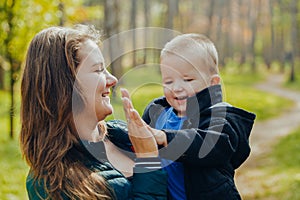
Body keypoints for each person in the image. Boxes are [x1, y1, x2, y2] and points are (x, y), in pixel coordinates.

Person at [19, 25, 167, 200]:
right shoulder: (50, 184)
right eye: (98, 70)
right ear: (65, 87)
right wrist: (148, 160)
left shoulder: (120, 134)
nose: (113, 80)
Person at [120, 34, 256, 200]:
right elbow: (141, 145)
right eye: (168, 82)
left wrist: (165, 137)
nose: (177, 88)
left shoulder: (221, 116)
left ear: (213, 82)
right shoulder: (157, 113)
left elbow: (208, 144)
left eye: (188, 79)